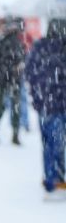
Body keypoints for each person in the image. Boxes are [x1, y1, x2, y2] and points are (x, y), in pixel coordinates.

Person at [25, 19, 66, 200]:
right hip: (61, 104)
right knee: (59, 143)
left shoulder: (39, 48)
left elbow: (30, 74)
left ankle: (51, 178)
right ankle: (56, 180)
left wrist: (37, 97)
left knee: (49, 143)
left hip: (45, 105)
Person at [0, 18, 26, 145]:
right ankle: (6, 132)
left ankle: (11, 133)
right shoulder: (2, 43)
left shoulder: (15, 43)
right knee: (8, 107)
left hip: (8, 79)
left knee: (8, 107)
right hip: (5, 79)